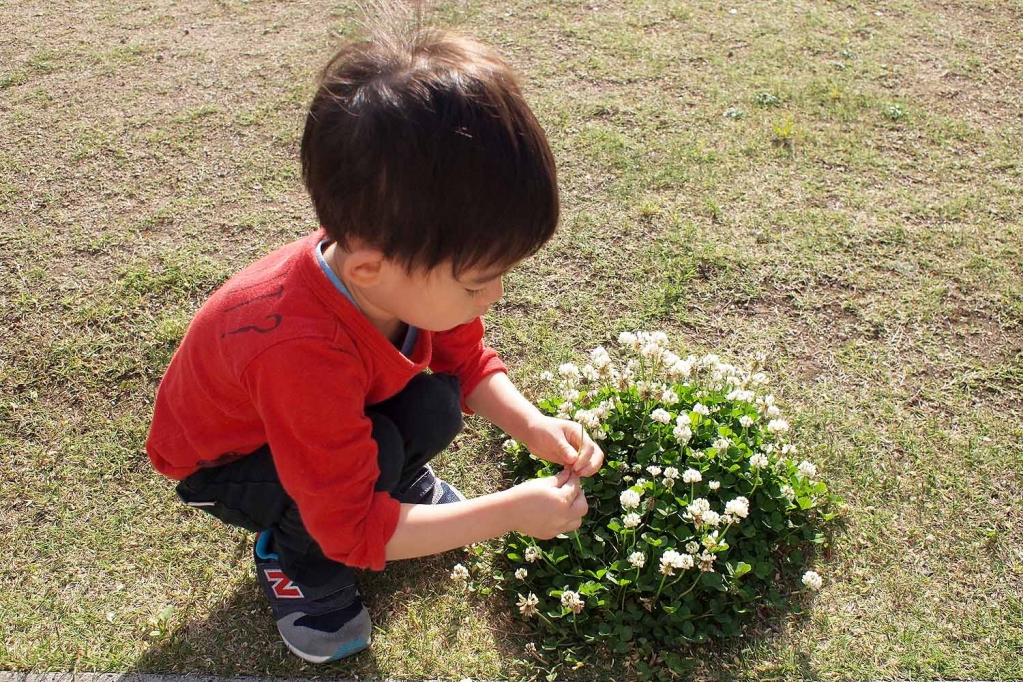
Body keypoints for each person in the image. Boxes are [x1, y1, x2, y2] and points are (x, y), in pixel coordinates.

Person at [145, 2, 604, 664]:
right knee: (361, 483)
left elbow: (466, 362)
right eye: (478, 281)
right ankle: (298, 565)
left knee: (434, 404)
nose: (495, 295)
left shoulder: (394, 267)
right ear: (368, 266)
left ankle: (384, 485)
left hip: (311, 422)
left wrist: (533, 425)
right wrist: (505, 511)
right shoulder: (298, 351)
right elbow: (354, 527)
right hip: (227, 463)